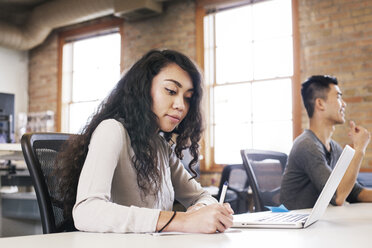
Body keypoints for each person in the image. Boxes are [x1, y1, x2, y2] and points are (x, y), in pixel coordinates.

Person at [55, 49, 233, 233]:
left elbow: (203, 196)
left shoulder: (161, 146)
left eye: (187, 98)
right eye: (171, 91)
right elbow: (87, 212)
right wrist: (182, 221)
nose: (180, 105)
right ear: (144, 88)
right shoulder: (112, 130)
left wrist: (199, 211)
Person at [280, 75, 372, 210]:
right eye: (338, 97)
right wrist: (359, 149)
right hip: (295, 226)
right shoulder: (306, 145)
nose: (344, 104)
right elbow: (338, 197)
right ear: (320, 103)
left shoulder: (334, 148)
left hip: (316, 224)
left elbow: (355, 192)